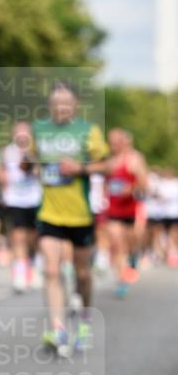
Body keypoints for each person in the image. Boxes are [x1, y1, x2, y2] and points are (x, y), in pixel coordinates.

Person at [29, 82, 108, 356]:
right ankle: (58, 328)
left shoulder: (88, 131)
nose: (61, 108)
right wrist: (27, 162)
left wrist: (80, 167)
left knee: (82, 273)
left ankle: (84, 322)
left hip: (80, 214)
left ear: (75, 105)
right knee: (51, 270)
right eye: (57, 104)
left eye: (67, 104)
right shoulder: (38, 130)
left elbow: (106, 165)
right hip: (49, 211)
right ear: (50, 105)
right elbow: (30, 161)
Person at [104, 128, 147, 297]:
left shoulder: (134, 159)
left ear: (124, 142)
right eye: (111, 142)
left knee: (131, 242)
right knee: (116, 244)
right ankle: (121, 280)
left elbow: (144, 184)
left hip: (131, 209)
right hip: (113, 210)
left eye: (117, 141)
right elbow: (105, 183)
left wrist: (131, 189)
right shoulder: (108, 161)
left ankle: (134, 257)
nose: (113, 145)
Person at [0, 122, 42, 292]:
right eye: (19, 133)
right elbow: (3, 171)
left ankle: (35, 267)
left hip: (34, 199)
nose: (22, 136)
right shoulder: (8, 151)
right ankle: (19, 274)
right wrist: (4, 191)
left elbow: (39, 171)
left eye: (25, 133)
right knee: (18, 237)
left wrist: (30, 161)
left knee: (33, 237)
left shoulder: (36, 151)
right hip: (15, 200)